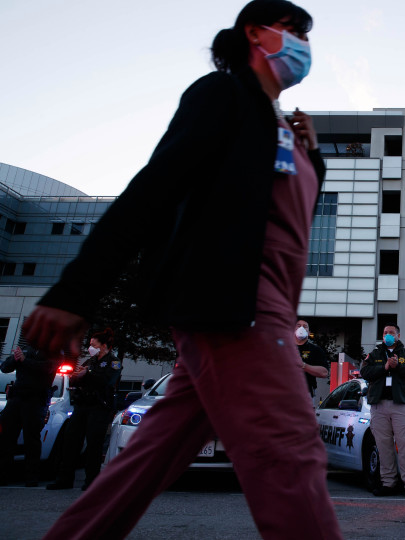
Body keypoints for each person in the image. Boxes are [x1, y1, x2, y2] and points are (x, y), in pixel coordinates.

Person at [23, 2, 342, 538]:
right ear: (254, 34)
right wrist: (75, 293)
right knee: (290, 451)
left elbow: (292, 223)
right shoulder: (223, 95)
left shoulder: (284, 130)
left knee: (147, 461)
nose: (302, 44)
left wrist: (314, 156)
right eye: (291, 30)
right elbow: (154, 189)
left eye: (307, 35)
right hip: (232, 305)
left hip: (263, 312)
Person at [47, 328, 122, 491]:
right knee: (70, 442)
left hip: (99, 408)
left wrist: (86, 376)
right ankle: (64, 479)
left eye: (93, 344)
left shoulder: (114, 362)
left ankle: (91, 482)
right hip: (82, 406)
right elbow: (75, 378)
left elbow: (107, 381)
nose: (90, 347)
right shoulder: (90, 362)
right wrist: (78, 376)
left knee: (94, 445)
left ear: (104, 346)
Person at [360, 325, 405, 498]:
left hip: (400, 405)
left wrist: (397, 367)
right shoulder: (374, 354)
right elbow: (364, 371)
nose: (388, 335)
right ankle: (388, 483)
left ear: (398, 335)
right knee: (384, 446)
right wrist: (385, 367)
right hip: (379, 405)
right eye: (385, 333)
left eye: (391, 333)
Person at [0, 345, 57, 487]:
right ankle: (3, 475)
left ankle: (31, 477)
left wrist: (25, 361)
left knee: (31, 440)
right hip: (16, 399)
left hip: (35, 401)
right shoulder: (25, 348)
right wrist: (15, 358)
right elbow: (5, 368)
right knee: (6, 437)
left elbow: (47, 368)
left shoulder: (53, 350)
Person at [294, 319, 329, 406]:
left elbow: (324, 373)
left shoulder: (315, 350)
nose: (301, 328)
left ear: (309, 333)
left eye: (305, 326)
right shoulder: (282, 347)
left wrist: (303, 365)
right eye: (298, 326)